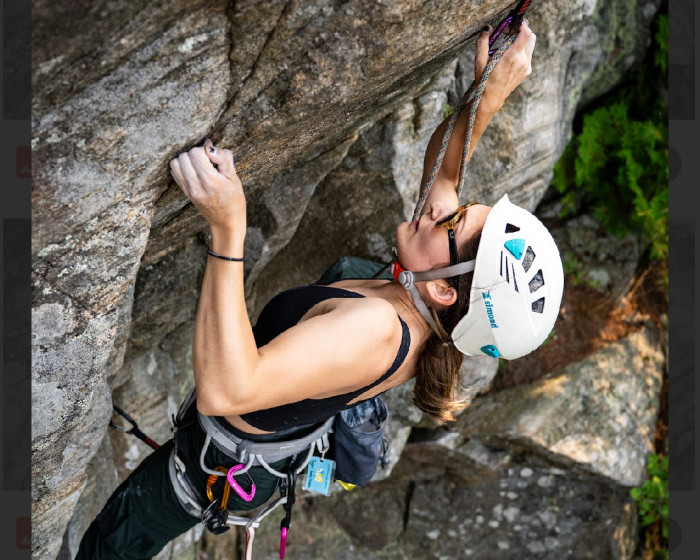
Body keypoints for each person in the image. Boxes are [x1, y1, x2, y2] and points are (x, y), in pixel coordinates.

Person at [77, 21, 561, 559]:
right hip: (238, 442)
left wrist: (228, 228)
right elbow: (443, 177)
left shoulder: (377, 330)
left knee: (109, 543)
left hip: (207, 471)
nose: (440, 207)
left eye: (454, 222)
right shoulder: (423, 298)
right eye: (463, 209)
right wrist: (487, 96)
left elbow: (227, 390)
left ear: (447, 292)